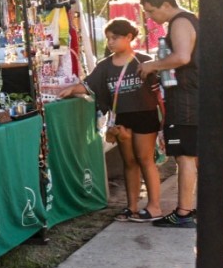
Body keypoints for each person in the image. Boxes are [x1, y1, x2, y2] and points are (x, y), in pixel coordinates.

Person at [55, 18, 163, 222]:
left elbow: (159, 90)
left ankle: (154, 206)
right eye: (108, 38)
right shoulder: (105, 66)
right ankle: (131, 207)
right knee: (129, 162)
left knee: (145, 159)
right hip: (121, 117)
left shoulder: (144, 61)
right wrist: (71, 89)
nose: (110, 42)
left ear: (129, 37)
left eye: (115, 38)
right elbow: (89, 85)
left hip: (145, 115)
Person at [136, 0, 198, 228]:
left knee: (185, 156)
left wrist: (152, 65)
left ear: (166, 4)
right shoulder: (191, 20)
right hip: (194, 98)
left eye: (151, 11)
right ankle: (196, 209)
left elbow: (182, 57)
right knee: (193, 155)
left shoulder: (180, 22)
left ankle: (183, 213)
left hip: (186, 100)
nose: (150, 17)